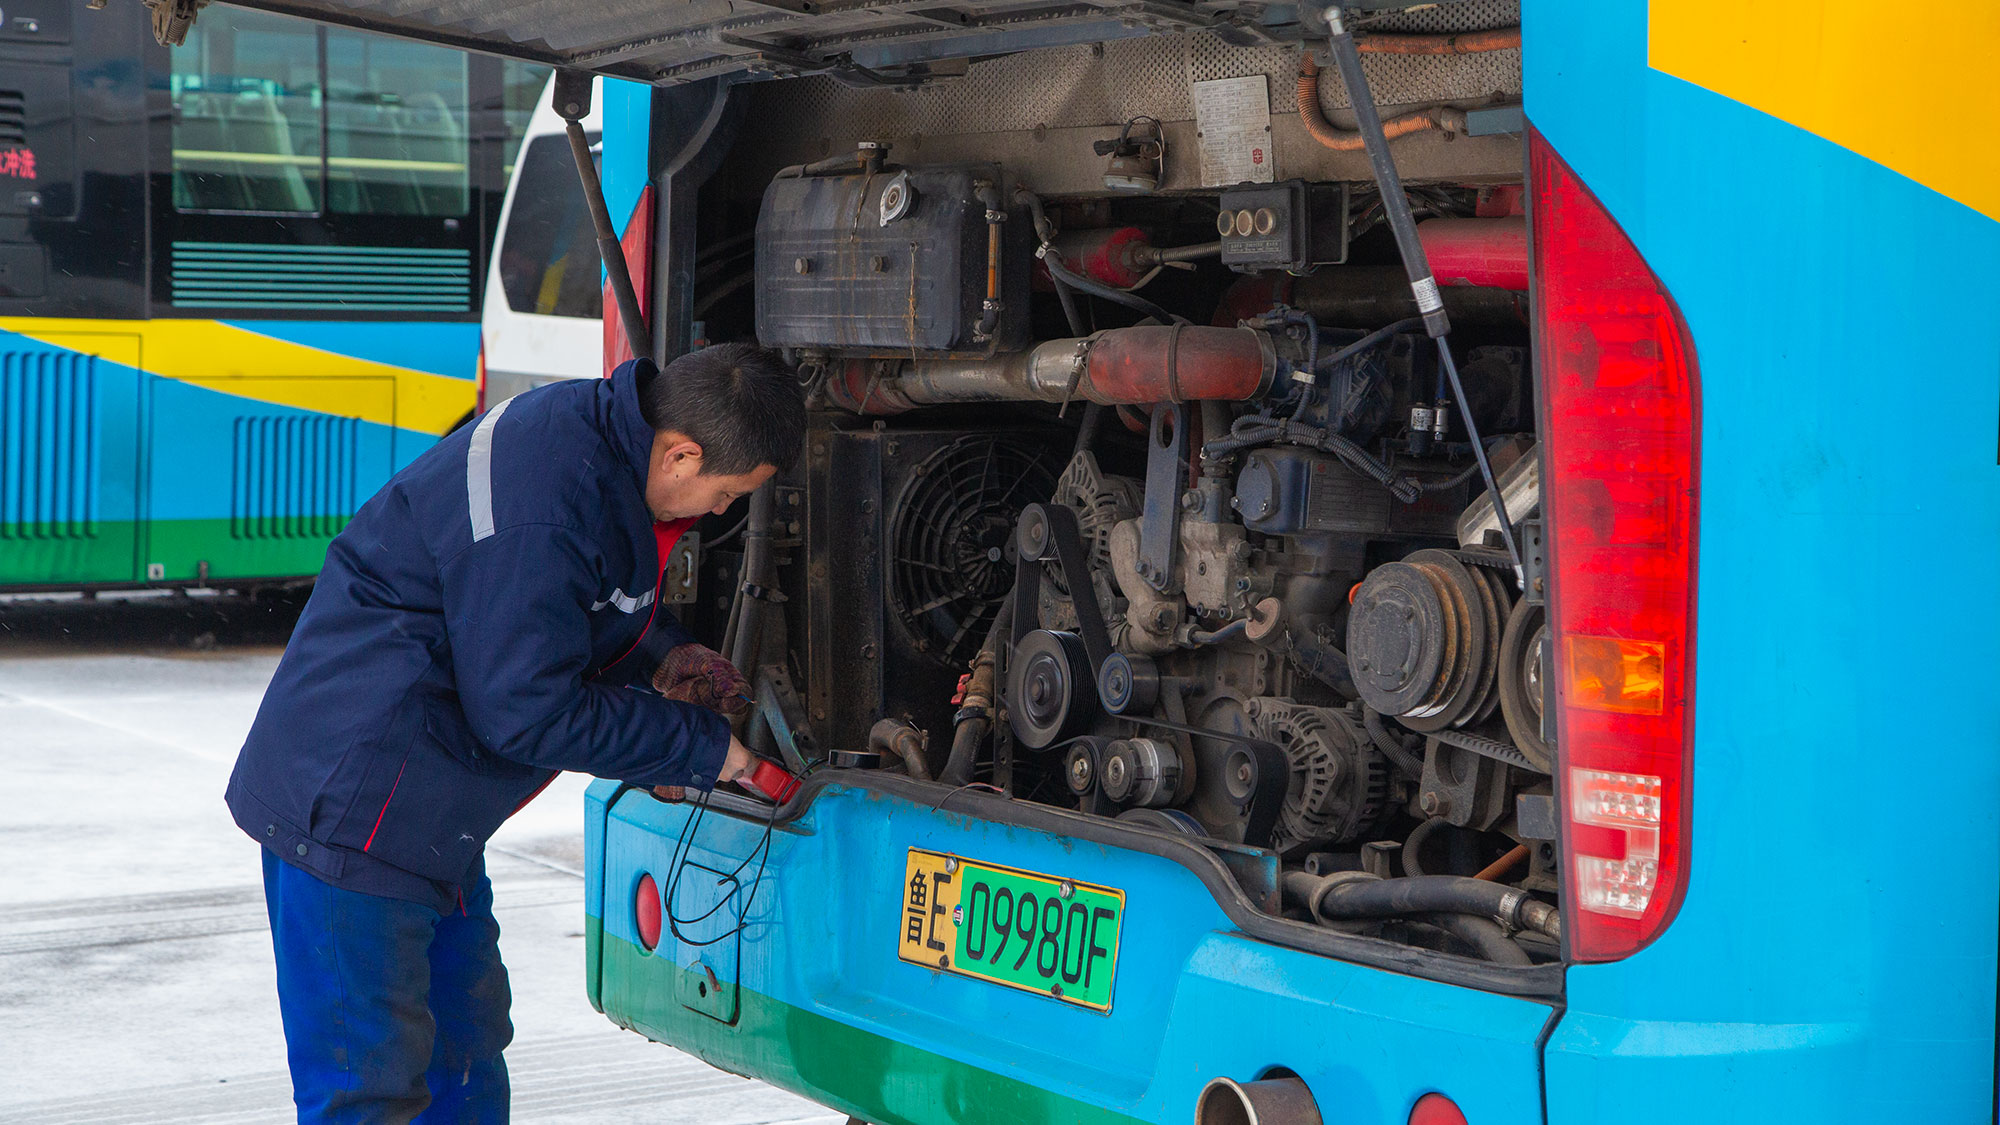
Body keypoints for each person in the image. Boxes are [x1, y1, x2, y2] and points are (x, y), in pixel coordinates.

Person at [225, 344, 806, 1122]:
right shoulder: (549, 497)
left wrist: (663, 654)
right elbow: (526, 707)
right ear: (681, 453)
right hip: (353, 816)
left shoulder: (598, 448)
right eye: (727, 492)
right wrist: (699, 747)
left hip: (431, 812)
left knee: (465, 1054)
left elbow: (568, 602)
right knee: (368, 1087)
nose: (723, 511)